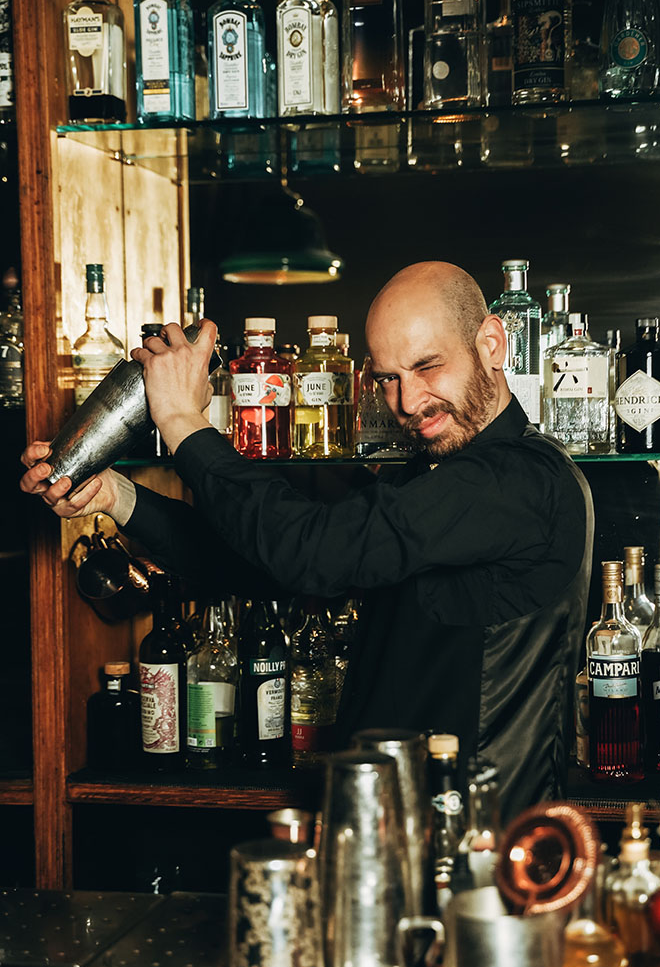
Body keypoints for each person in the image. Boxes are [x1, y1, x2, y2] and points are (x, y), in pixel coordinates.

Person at [21, 261, 593, 819]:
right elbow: (264, 562)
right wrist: (118, 496)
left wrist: (181, 421)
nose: (408, 402)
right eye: (389, 379)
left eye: (428, 366)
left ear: (491, 344)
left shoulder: (522, 480)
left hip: (479, 841)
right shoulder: (429, 475)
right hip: (388, 825)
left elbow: (311, 551)